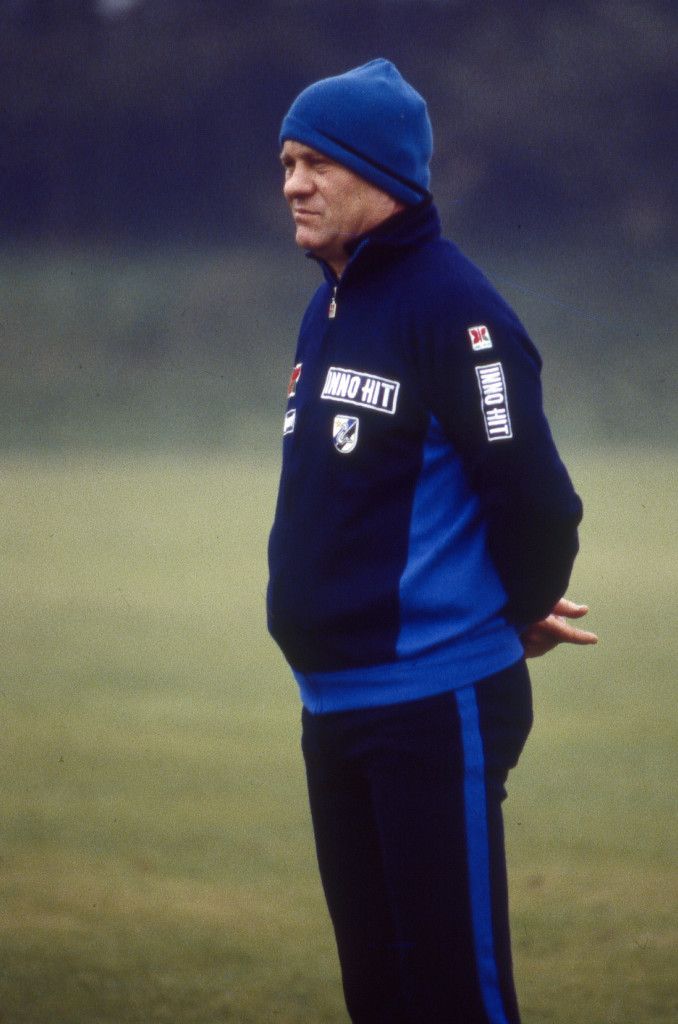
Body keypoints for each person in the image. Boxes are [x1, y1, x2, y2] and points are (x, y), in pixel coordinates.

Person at [267, 59, 597, 1024]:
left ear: (382, 175)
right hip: (332, 708)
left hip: (431, 704)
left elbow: (536, 496)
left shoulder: (457, 311)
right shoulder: (328, 305)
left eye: (314, 163)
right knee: (381, 999)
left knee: (454, 998)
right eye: (287, 162)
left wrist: (519, 607)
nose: (292, 183)